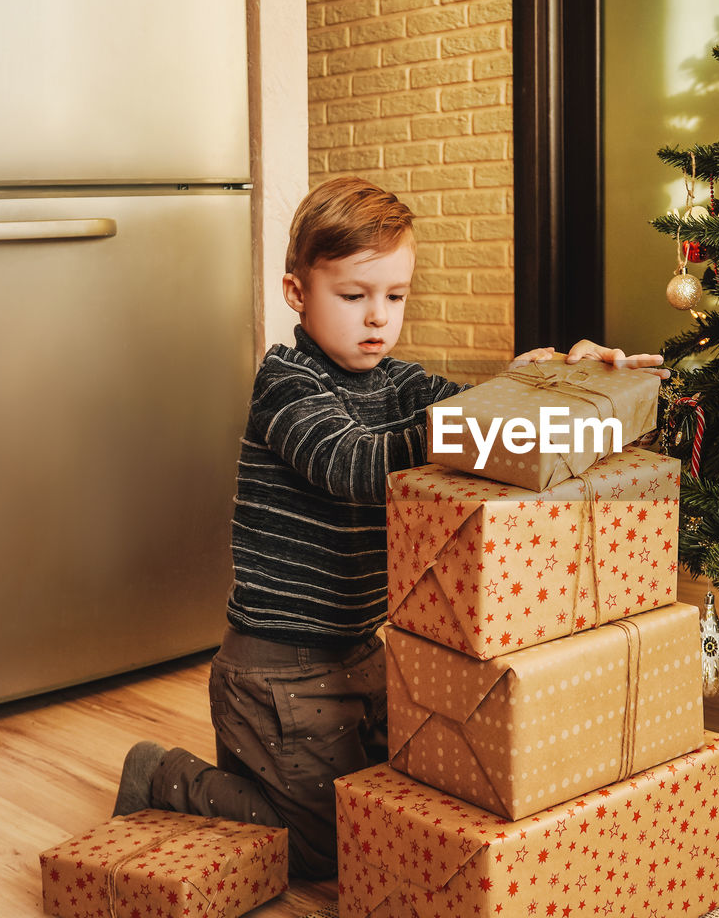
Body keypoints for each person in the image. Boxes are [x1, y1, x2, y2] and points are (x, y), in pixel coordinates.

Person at [113, 176, 667, 878]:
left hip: (362, 657)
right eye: (354, 297)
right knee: (322, 850)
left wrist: (557, 377)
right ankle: (162, 776)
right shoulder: (286, 385)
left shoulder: (401, 384)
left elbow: (481, 418)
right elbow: (355, 463)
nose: (378, 317)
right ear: (296, 294)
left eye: (395, 297)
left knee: (400, 799)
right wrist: (470, 419)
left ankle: (279, 782)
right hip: (277, 671)